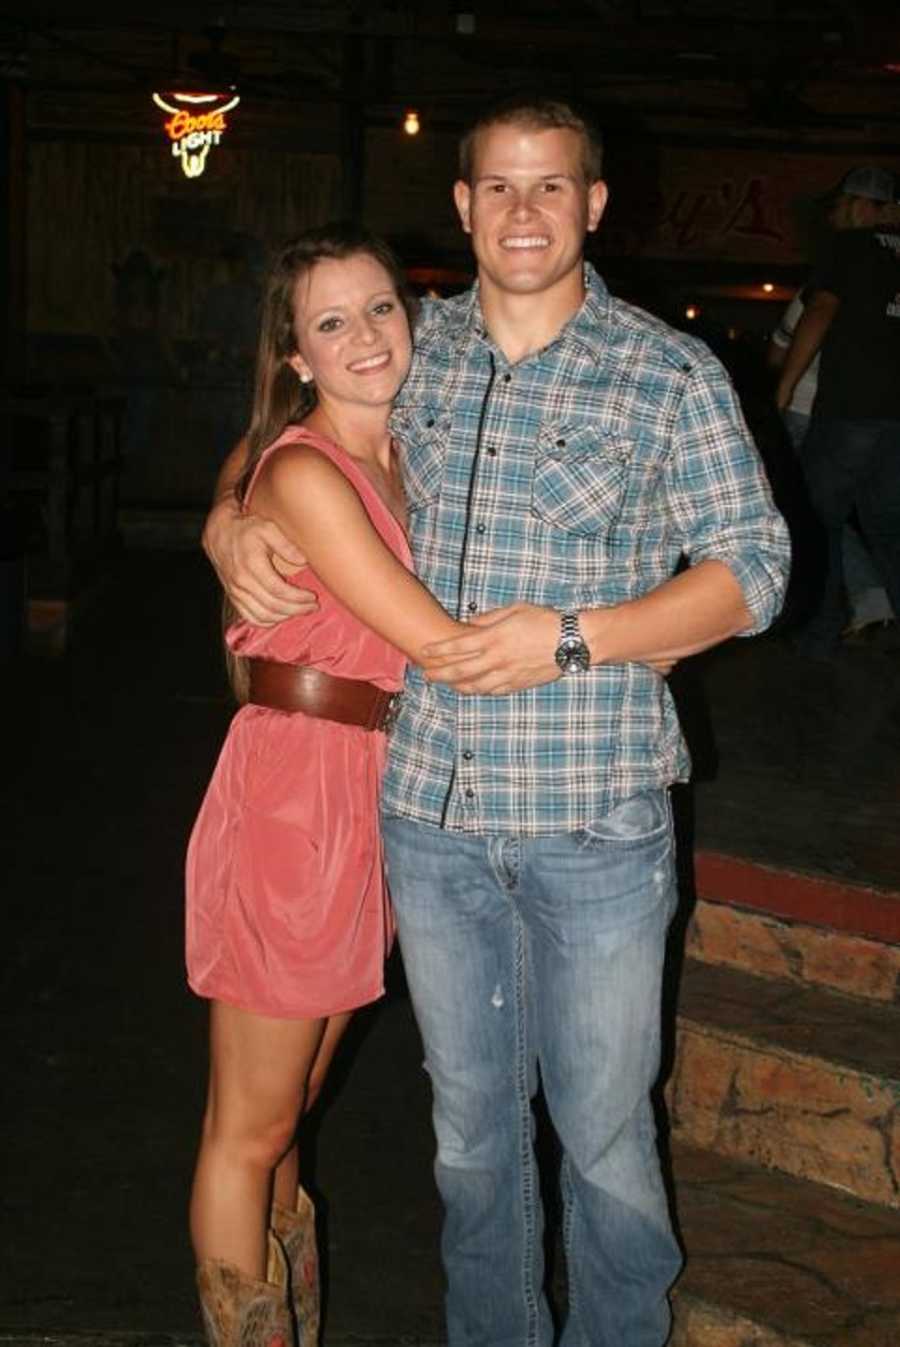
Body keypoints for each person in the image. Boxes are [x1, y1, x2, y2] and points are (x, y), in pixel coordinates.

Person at [204, 99, 790, 1347]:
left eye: (553, 187)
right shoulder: (421, 351)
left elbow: (756, 574)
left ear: (595, 202)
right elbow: (293, 434)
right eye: (501, 189)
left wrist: (573, 635)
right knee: (471, 1146)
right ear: (463, 208)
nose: (526, 212)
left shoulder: (668, 372)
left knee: (608, 1139)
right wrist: (229, 520)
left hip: (595, 822)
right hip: (428, 819)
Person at [186, 223, 473, 1347]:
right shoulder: (308, 469)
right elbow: (432, 641)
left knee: (292, 1106)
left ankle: (284, 1318)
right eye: (331, 321)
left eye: (382, 309)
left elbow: (245, 453)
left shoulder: (407, 441)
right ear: (295, 352)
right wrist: (613, 645)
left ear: (416, 317)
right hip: (299, 793)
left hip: (365, 787)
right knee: (247, 1125)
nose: (365, 336)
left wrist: (221, 503)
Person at [776, 165, 900, 656]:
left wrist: (785, 384)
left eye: (846, 202)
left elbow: (820, 311)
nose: (838, 213)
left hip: (850, 409)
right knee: (890, 528)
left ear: (872, 207)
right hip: (896, 417)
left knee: (816, 522)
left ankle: (818, 632)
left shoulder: (850, 249)